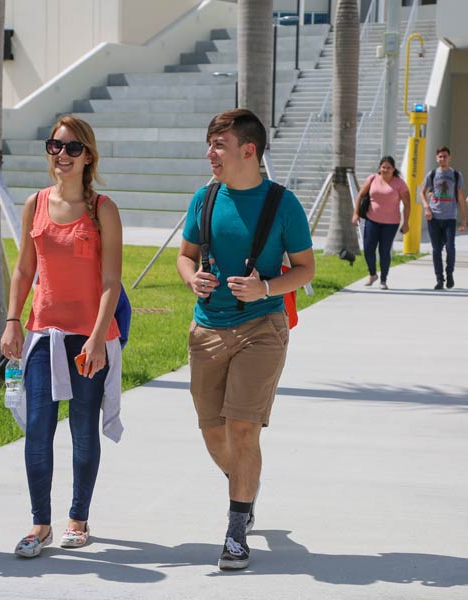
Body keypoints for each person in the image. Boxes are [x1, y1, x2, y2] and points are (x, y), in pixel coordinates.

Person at [176, 108, 314, 570]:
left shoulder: (283, 204)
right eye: (210, 144)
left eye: (219, 145)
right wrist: (191, 277)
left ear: (248, 150)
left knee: (242, 429)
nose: (210, 153)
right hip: (208, 329)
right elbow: (185, 256)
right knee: (214, 433)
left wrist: (266, 288)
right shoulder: (205, 198)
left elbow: (306, 269)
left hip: (262, 328)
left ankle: (236, 531)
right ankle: (246, 488)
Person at [0, 115, 123, 559]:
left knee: (83, 429)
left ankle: (78, 518)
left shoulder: (102, 209)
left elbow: (112, 281)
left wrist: (95, 339)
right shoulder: (35, 203)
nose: (63, 156)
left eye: (73, 148)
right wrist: (13, 319)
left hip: (89, 337)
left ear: (88, 156)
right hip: (43, 333)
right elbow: (24, 269)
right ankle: (39, 523)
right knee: (38, 428)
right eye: (56, 146)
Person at [352, 156, 410, 289]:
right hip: (372, 220)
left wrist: (406, 222)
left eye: (388, 167)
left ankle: (383, 279)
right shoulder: (372, 179)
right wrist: (356, 213)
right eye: (383, 167)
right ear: (379, 167)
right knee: (368, 249)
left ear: (393, 169)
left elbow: (407, 203)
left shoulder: (399, 183)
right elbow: (360, 195)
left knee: (384, 251)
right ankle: (373, 274)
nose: (385, 170)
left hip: (391, 223)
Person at [420, 146, 468, 290]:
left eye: (445, 156)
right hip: (434, 217)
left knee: (450, 247)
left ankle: (450, 273)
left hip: (450, 217)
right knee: (436, 250)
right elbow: (422, 193)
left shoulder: (456, 175)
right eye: (440, 156)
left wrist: (464, 218)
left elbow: (460, 196)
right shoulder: (432, 174)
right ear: (436, 158)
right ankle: (439, 279)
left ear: (450, 157)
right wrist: (426, 207)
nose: (442, 159)